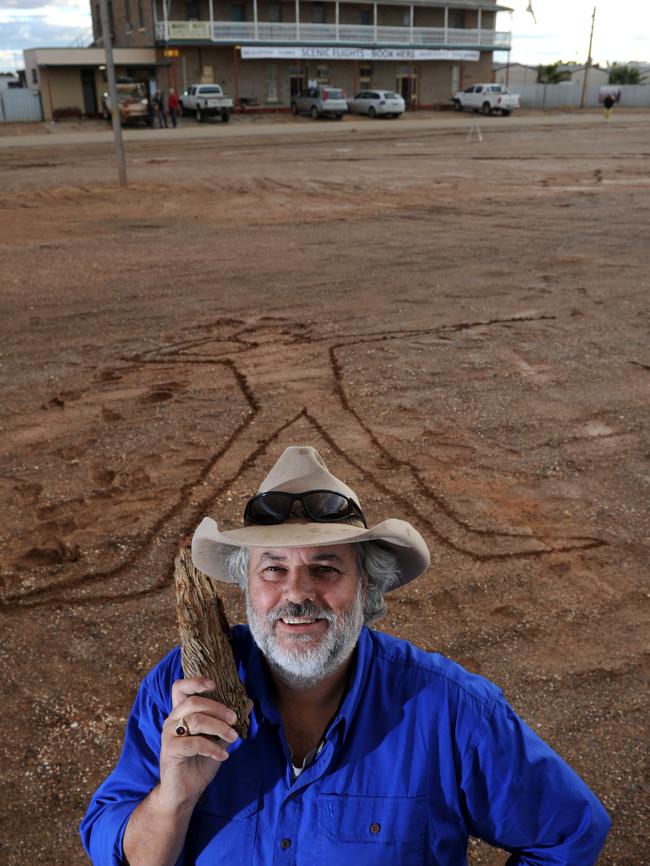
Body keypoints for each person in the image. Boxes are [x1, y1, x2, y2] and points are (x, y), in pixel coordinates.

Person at [81, 445, 611, 865]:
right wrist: (172, 797)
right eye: (273, 569)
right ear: (246, 586)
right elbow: (117, 847)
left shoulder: (452, 712)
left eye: (326, 568)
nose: (296, 593)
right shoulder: (181, 690)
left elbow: (569, 834)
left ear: (367, 587)